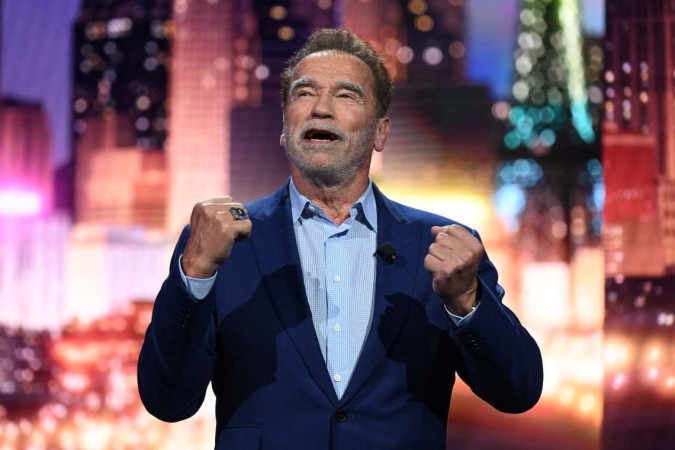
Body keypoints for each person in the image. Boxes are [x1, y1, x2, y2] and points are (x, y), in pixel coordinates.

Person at [137, 27, 543, 450]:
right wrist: (194, 277)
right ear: (284, 128)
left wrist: (467, 302)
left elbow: (518, 391)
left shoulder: (440, 246)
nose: (321, 109)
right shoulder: (223, 243)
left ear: (380, 133)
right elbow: (167, 401)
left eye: (346, 95)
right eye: (304, 93)